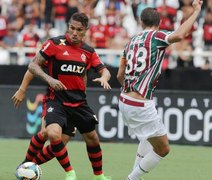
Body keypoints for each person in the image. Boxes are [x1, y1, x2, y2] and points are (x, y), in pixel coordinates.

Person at [117, 0, 203, 179]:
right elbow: (179, 35)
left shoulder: (131, 41)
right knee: (163, 148)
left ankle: (134, 176)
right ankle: (131, 178)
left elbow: (120, 75)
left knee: (147, 138)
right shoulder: (156, 37)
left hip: (124, 100)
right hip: (140, 104)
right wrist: (196, 12)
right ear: (159, 24)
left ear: (141, 22)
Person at [28, 12, 111, 180]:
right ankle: (70, 172)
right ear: (68, 26)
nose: (74, 32)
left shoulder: (88, 51)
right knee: (52, 134)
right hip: (57, 101)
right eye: (72, 28)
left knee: (93, 139)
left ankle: (99, 176)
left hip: (79, 103)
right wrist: (49, 79)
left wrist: (104, 77)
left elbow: (105, 70)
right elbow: (33, 65)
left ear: (86, 30)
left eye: (79, 30)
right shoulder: (54, 43)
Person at [12, 70, 75, 165]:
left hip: (75, 104)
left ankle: (29, 166)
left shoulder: (87, 56)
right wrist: (22, 90)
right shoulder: (53, 55)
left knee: (59, 145)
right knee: (46, 132)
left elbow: (95, 72)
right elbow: (33, 67)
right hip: (55, 100)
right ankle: (26, 164)